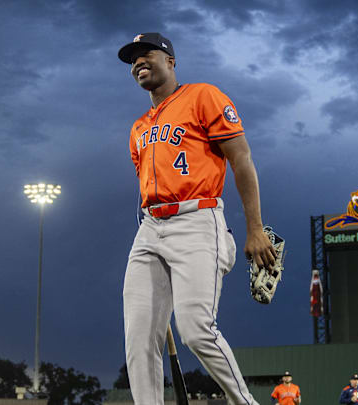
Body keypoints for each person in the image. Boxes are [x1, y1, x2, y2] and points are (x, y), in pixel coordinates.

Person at [117, 32, 277, 405]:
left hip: (198, 218)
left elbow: (241, 159)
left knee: (195, 330)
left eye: (148, 54)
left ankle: (245, 403)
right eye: (133, 60)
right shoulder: (139, 127)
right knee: (140, 337)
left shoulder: (203, 96)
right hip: (150, 227)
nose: (140, 62)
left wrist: (255, 227)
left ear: (171, 61)